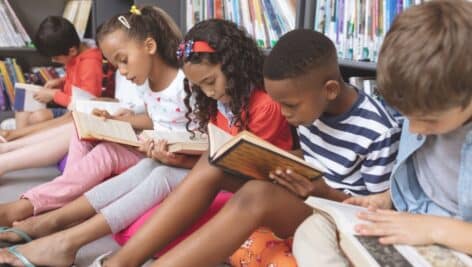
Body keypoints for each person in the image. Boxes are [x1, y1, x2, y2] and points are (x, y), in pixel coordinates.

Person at [0, 18, 295, 267]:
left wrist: (185, 163)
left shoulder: (264, 106)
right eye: (201, 87)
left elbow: (251, 169)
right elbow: (218, 155)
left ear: (233, 66)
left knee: (163, 172)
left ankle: (66, 237)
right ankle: (57, 229)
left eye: (210, 82)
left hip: (246, 186)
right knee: (152, 167)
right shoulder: (221, 102)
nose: (209, 93)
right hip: (217, 175)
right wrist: (181, 158)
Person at [293, 1, 472, 266]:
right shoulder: (428, 100)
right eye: (407, 115)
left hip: (456, 240)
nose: (415, 129)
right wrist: (385, 199)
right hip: (410, 221)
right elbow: (421, 179)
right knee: (311, 234)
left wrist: (433, 229)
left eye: (428, 121)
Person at [0, 4, 183, 231]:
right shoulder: (146, 83)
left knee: (105, 153)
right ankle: (58, 198)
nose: (122, 72)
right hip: (147, 143)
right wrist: (115, 120)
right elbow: (153, 118)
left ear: (150, 46)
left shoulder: (182, 84)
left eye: (123, 60)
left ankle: (29, 205)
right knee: (81, 129)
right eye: (116, 65)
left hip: (163, 153)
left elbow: (194, 133)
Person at [13, 16, 103, 129]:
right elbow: (77, 76)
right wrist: (60, 81)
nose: (53, 61)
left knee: (38, 117)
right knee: (22, 107)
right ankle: (18, 138)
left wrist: (54, 95)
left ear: (72, 51)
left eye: (56, 58)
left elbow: (87, 103)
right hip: (68, 103)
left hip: (78, 112)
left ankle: (22, 138)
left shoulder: (90, 64)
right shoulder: (76, 55)